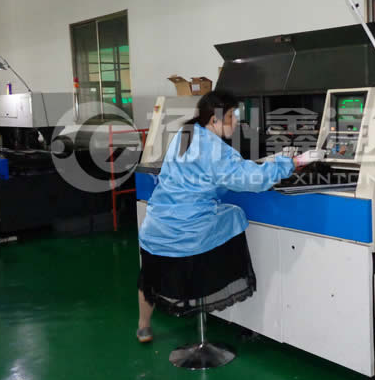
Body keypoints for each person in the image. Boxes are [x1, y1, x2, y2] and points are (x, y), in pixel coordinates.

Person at [136, 90, 322, 343]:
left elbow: (204, 174)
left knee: (149, 276)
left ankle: (143, 326)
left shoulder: (185, 133)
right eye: (232, 116)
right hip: (188, 235)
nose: (237, 122)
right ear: (214, 119)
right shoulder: (215, 149)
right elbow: (252, 179)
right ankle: (238, 302)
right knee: (235, 215)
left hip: (155, 228)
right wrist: (293, 162)